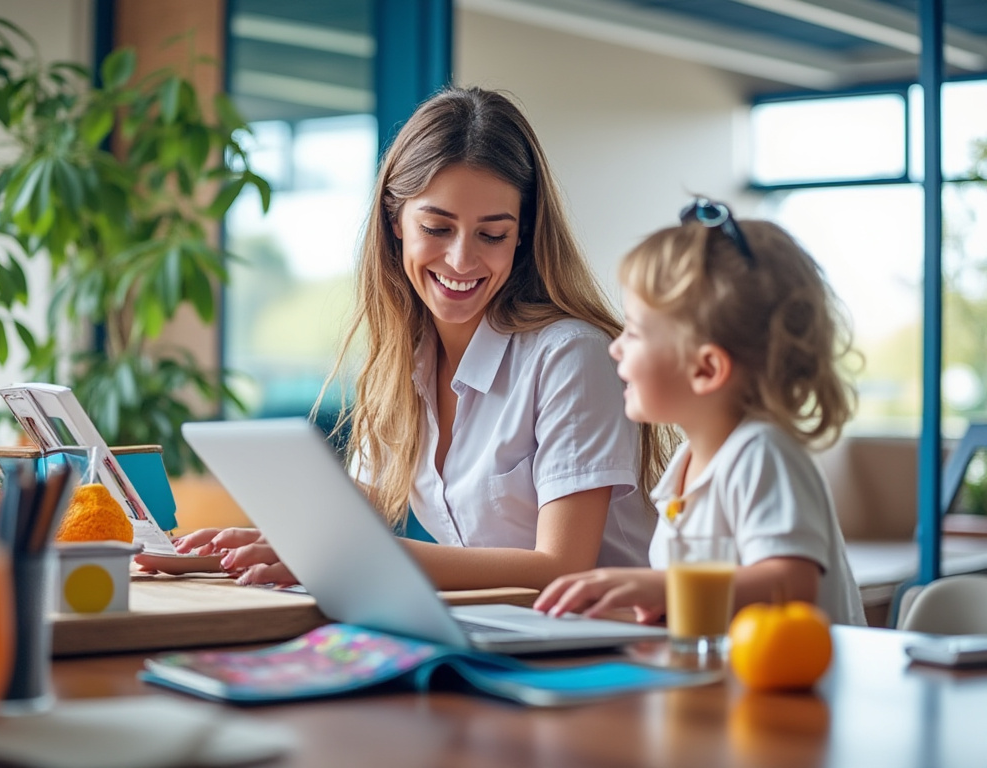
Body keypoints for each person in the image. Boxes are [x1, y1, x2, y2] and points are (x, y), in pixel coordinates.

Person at [169, 86, 677, 590]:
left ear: (522, 233)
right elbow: (344, 529)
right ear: (396, 222)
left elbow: (562, 568)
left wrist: (358, 552)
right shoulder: (401, 362)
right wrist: (230, 553)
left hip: (606, 651)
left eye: (492, 234)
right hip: (494, 636)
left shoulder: (570, 355)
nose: (461, 260)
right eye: (437, 227)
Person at [533, 198, 867, 626]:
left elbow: (790, 584)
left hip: (803, 690)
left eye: (633, 333)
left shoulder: (762, 454)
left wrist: (665, 588)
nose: (615, 347)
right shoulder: (685, 464)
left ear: (706, 368)